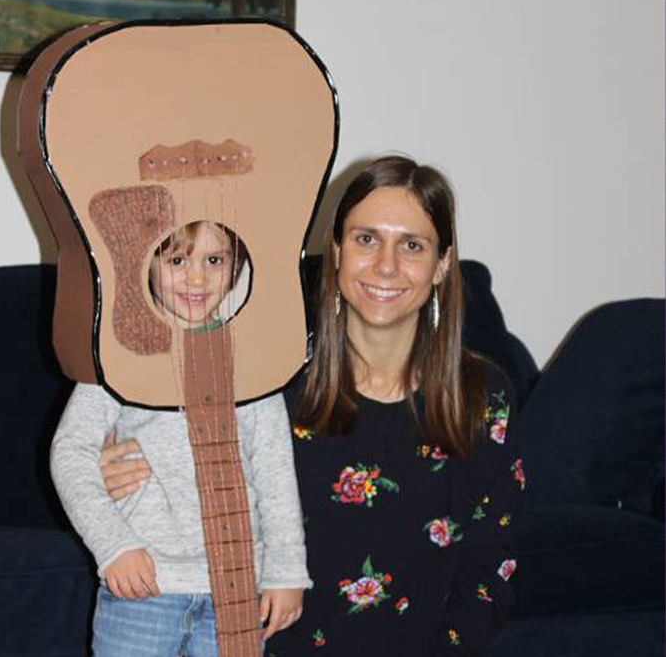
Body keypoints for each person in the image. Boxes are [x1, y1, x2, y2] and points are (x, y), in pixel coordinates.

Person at [100, 157, 524, 657]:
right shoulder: (268, 383)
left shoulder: (482, 396)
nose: (386, 266)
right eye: (366, 240)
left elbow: (490, 567)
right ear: (337, 250)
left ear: (443, 264)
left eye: (411, 245)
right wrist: (118, 475)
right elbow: (198, 507)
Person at [51, 220, 310, 657]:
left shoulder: (253, 365)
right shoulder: (121, 355)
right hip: (144, 586)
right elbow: (69, 452)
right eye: (177, 260)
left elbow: (275, 474)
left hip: (238, 590)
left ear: (237, 266)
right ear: (147, 264)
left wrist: (286, 572)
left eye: (214, 260)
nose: (197, 278)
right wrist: (114, 546)